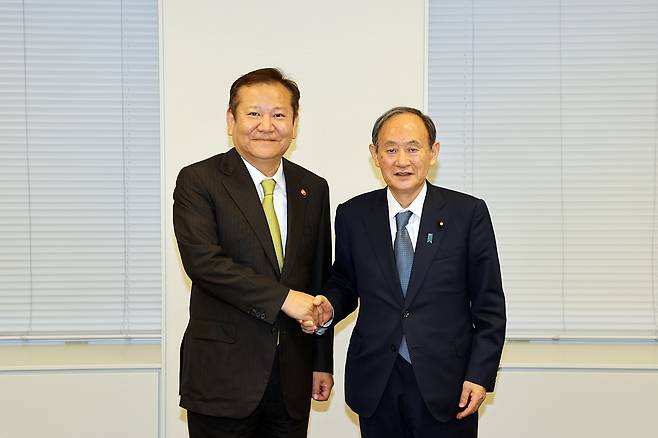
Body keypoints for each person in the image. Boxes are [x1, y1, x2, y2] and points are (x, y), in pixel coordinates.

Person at [318, 107, 506, 437]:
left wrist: (480, 373)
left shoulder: (467, 213)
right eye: (390, 149)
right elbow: (345, 282)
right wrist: (329, 306)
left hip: (448, 381)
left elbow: (489, 304)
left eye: (413, 148)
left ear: (433, 152)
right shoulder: (353, 214)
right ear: (375, 155)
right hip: (377, 377)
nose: (402, 161)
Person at [173, 67, 334, 438]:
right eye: (253, 113)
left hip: (291, 379)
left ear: (294, 124)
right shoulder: (199, 180)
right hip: (222, 378)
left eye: (278, 115)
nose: (266, 125)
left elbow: (318, 278)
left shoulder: (313, 188)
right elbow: (204, 263)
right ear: (231, 120)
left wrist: (320, 362)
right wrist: (283, 300)